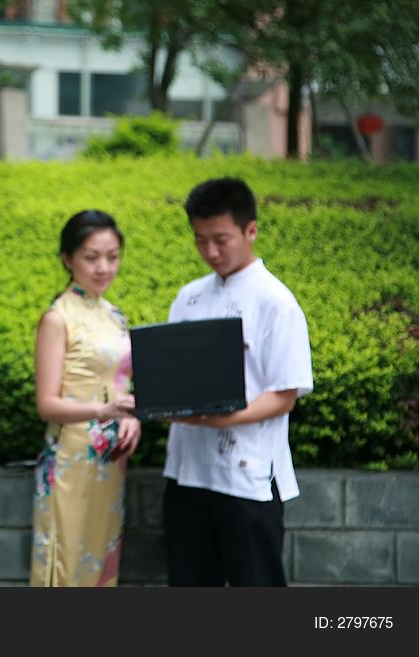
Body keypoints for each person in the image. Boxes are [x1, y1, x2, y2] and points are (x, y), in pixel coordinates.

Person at [164, 177, 313, 586]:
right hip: (188, 472)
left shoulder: (276, 303)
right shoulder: (188, 297)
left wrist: (222, 419)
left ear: (251, 231)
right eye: (200, 239)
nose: (210, 251)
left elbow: (285, 395)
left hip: (248, 477)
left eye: (221, 239)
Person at [30, 210, 141, 587]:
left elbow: (121, 388)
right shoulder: (58, 318)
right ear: (68, 259)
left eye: (112, 256)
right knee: (67, 561)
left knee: (102, 561)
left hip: (111, 461)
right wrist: (104, 410)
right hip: (71, 459)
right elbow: (47, 404)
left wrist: (130, 417)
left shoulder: (116, 317)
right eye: (91, 257)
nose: (103, 267)